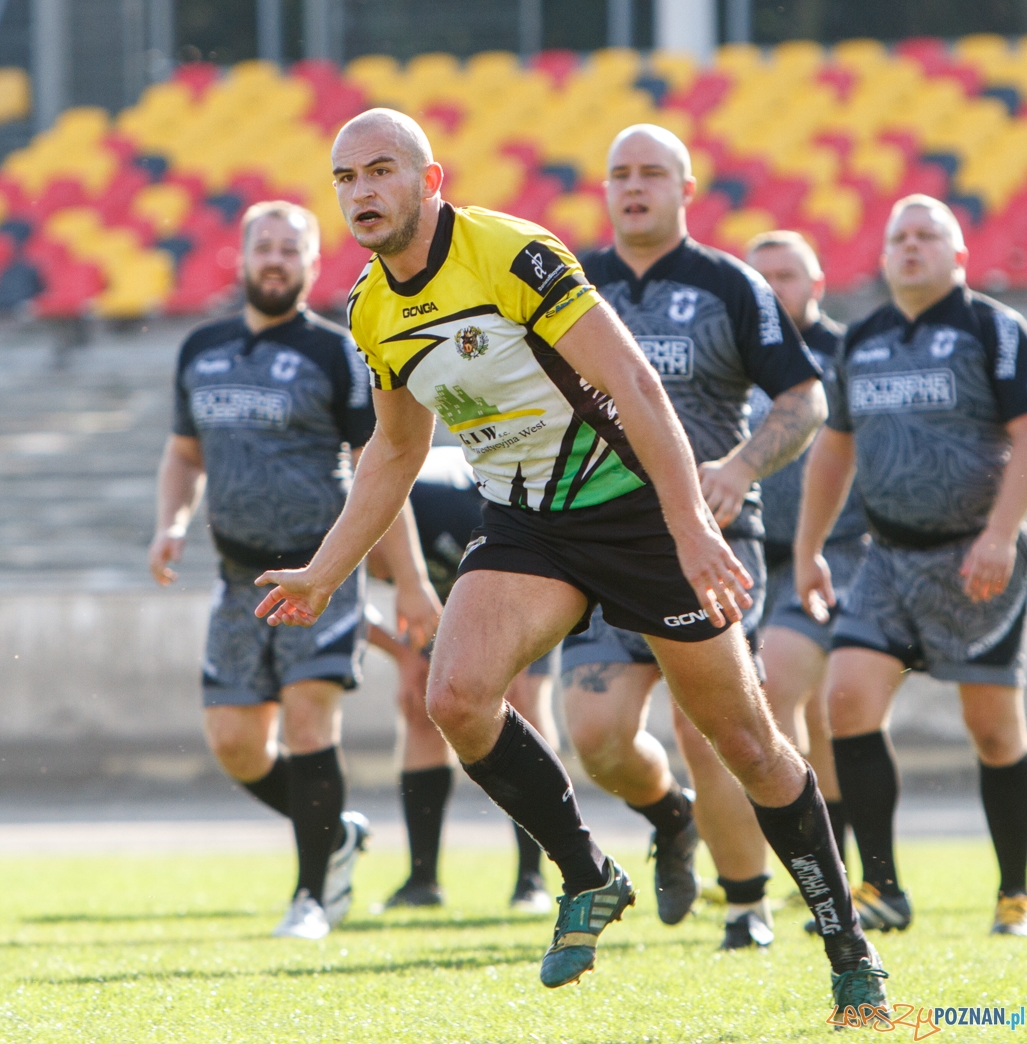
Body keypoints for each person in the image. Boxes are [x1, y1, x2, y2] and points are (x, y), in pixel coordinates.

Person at [254, 107, 886, 1014]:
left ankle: (849, 946)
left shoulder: (512, 253)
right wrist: (324, 570)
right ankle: (588, 872)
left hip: (637, 513)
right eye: (346, 178)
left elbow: (634, 384)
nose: (362, 192)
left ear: (430, 182)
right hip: (527, 525)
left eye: (381, 170)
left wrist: (690, 524)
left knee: (744, 741)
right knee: (454, 696)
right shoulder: (368, 306)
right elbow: (394, 449)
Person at [560, 124, 830, 951]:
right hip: (599, 539)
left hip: (710, 539)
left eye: (652, 173)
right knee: (595, 735)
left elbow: (806, 399)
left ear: (685, 189)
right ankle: (670, 817)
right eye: (620, 174)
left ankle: (746, 905)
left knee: (711, 729)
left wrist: (742, 467)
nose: (634, 186)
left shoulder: (730, 284)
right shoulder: (570, 284)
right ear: (606, 190)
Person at [149, 199, 441, 940]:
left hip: (322, 574)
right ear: (244, 257)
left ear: (313, 265)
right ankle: (333, 831)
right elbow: (183, 454)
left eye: (291, 249)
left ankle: (311, 898)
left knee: (310, 720)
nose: (276, 260)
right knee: (235, 742)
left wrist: (410, 581)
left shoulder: (338, 352)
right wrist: (170, 525)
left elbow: (383, 469)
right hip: (238, 579)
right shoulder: (201, 349)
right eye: (265, 247)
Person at [797, 194, 1027, 939]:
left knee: (993, 730)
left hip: (977, 561)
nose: (911, 245)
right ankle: (882, 888)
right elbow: (834, 449)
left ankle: (1018, 893)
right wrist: (807, 549)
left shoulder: (995, 329)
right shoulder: (861, 338)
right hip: (887, 559)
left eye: (928, 235)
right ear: (884, 254)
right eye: (899, 236)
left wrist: (1001, 533)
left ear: (959, 255)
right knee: (846, 700)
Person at [368, 446, 561, 912]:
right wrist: (404, 657)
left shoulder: (443, 507)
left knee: (521, 704)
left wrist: (512, 657)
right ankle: (422, 880)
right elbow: (337, 607)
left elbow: (532, 559)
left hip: (529, 564)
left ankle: (532, 878)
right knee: (420, 708)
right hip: (444, 594)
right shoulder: (332, 524)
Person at [744, 230, 863, 876]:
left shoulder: (849, 354)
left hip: (835, 550)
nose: (772, 289)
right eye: (759, 278)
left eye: (785, 276)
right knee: (804, 709)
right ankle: (813, 859)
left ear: (817, 283)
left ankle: (820, 858)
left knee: (788, 690)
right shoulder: (735, 353)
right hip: (750, 550)